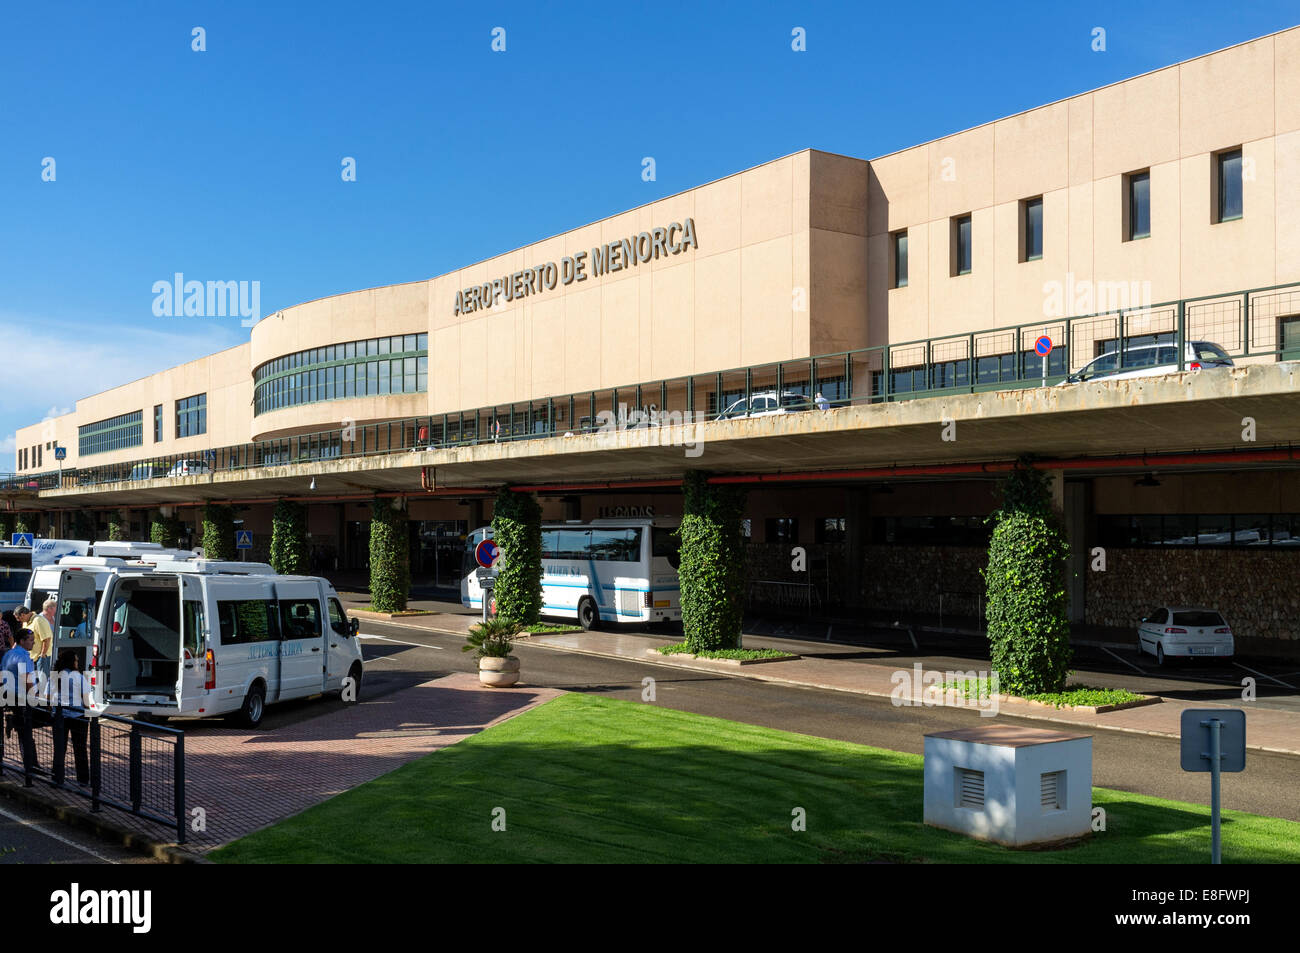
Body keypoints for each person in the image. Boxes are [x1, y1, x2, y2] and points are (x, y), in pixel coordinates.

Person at [50, 650, 92, 786]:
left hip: (60, 716)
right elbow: (86, 700)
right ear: (71, 662)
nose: (77, 662)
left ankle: (57, 777)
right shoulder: (78, 677)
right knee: (80, 748)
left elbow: (47, 697)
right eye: (76, 660)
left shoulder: (54, 677)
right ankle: (83, 780)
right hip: (78, 716)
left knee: (59, 748)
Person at [1, 630, 38, 779]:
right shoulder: (23, 657)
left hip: (8, 695)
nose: (33, 642)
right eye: (30, 640)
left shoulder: (8, 654)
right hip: (21, 698)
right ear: (22, 641)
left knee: (25, 730)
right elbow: (27, 679)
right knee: (27, 731)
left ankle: (32, 764)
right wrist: (35, 697)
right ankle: (31, 766)